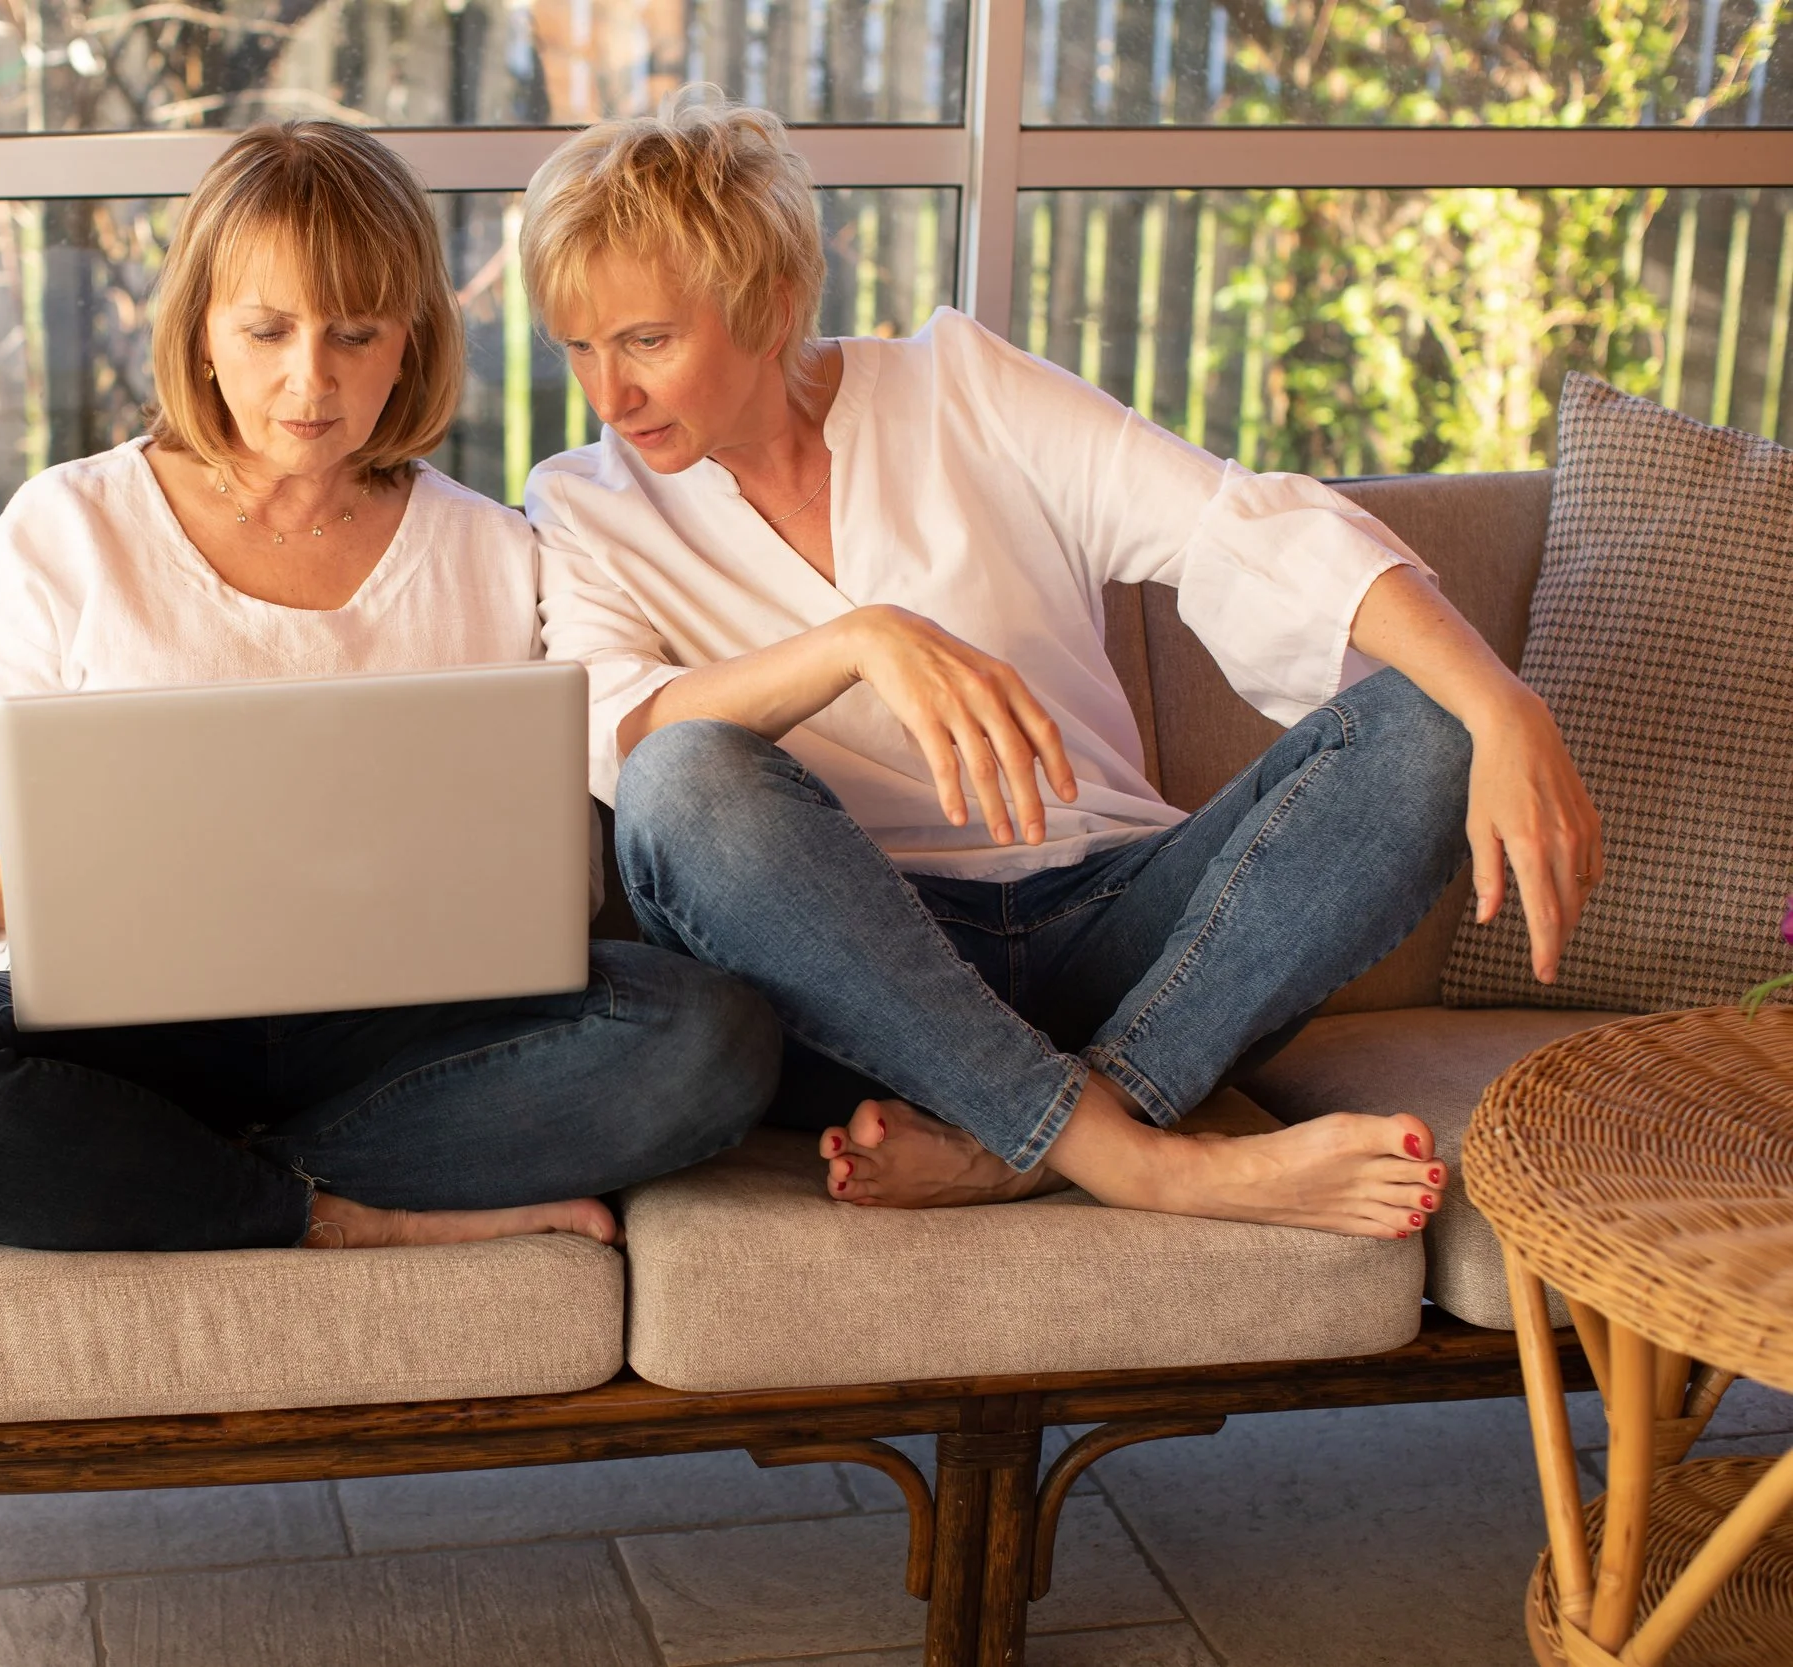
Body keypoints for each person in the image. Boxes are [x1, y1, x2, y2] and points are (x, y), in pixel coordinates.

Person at [518, 91, 1602, 1240]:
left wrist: (1503, 704)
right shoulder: (582, 502)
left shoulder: (963, 390)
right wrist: (858, 641)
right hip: (843, 995)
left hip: (1115, 943)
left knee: (1429, 725)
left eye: (646, 340)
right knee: (686, 779)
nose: (608, 393)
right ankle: (1140, 1159)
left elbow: (1236, 527)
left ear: (772, 304)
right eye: (577, 346)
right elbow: (623, 738)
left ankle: (1041, 1136)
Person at [0, 120, 779, 1255]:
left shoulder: (494, 549)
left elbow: (554, 859)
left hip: (397, 1034)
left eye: (354, 335)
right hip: (128, 1033)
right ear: (203, 334)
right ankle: (323, 1206)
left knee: (710, 1036)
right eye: (266, 330)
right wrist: (201, 870)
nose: (308, 380)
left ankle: (172, 1172)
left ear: (408, 342)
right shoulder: (63, 530)